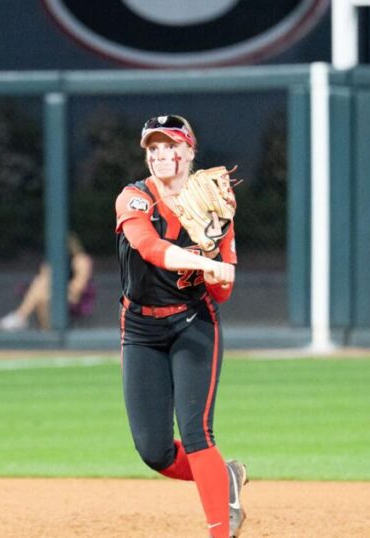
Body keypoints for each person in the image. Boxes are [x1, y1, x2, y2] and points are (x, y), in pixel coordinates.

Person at [115, 114, 246, 538]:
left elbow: (222, 291)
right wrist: (203, 260)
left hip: (193, 323)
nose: (160, 155)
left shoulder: (215, 206)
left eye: (170, 146)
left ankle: (219, 531)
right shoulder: (134, 198)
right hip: (141, 330)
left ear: (190, 151)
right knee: (153, 450)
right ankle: (224, 478)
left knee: (196, 433)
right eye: (153, 148)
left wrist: (216, 256)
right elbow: (150, 248)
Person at [0, 233, 95, 331]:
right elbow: (44, 276)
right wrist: (49, 268)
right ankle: (46, 332)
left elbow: (78, 287)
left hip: (74, 297)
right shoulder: (57, 259)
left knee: (40, 290)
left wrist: (56, 288)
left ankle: (20, 316)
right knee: (41, 294)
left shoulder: (81, 259)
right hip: (54, 293)